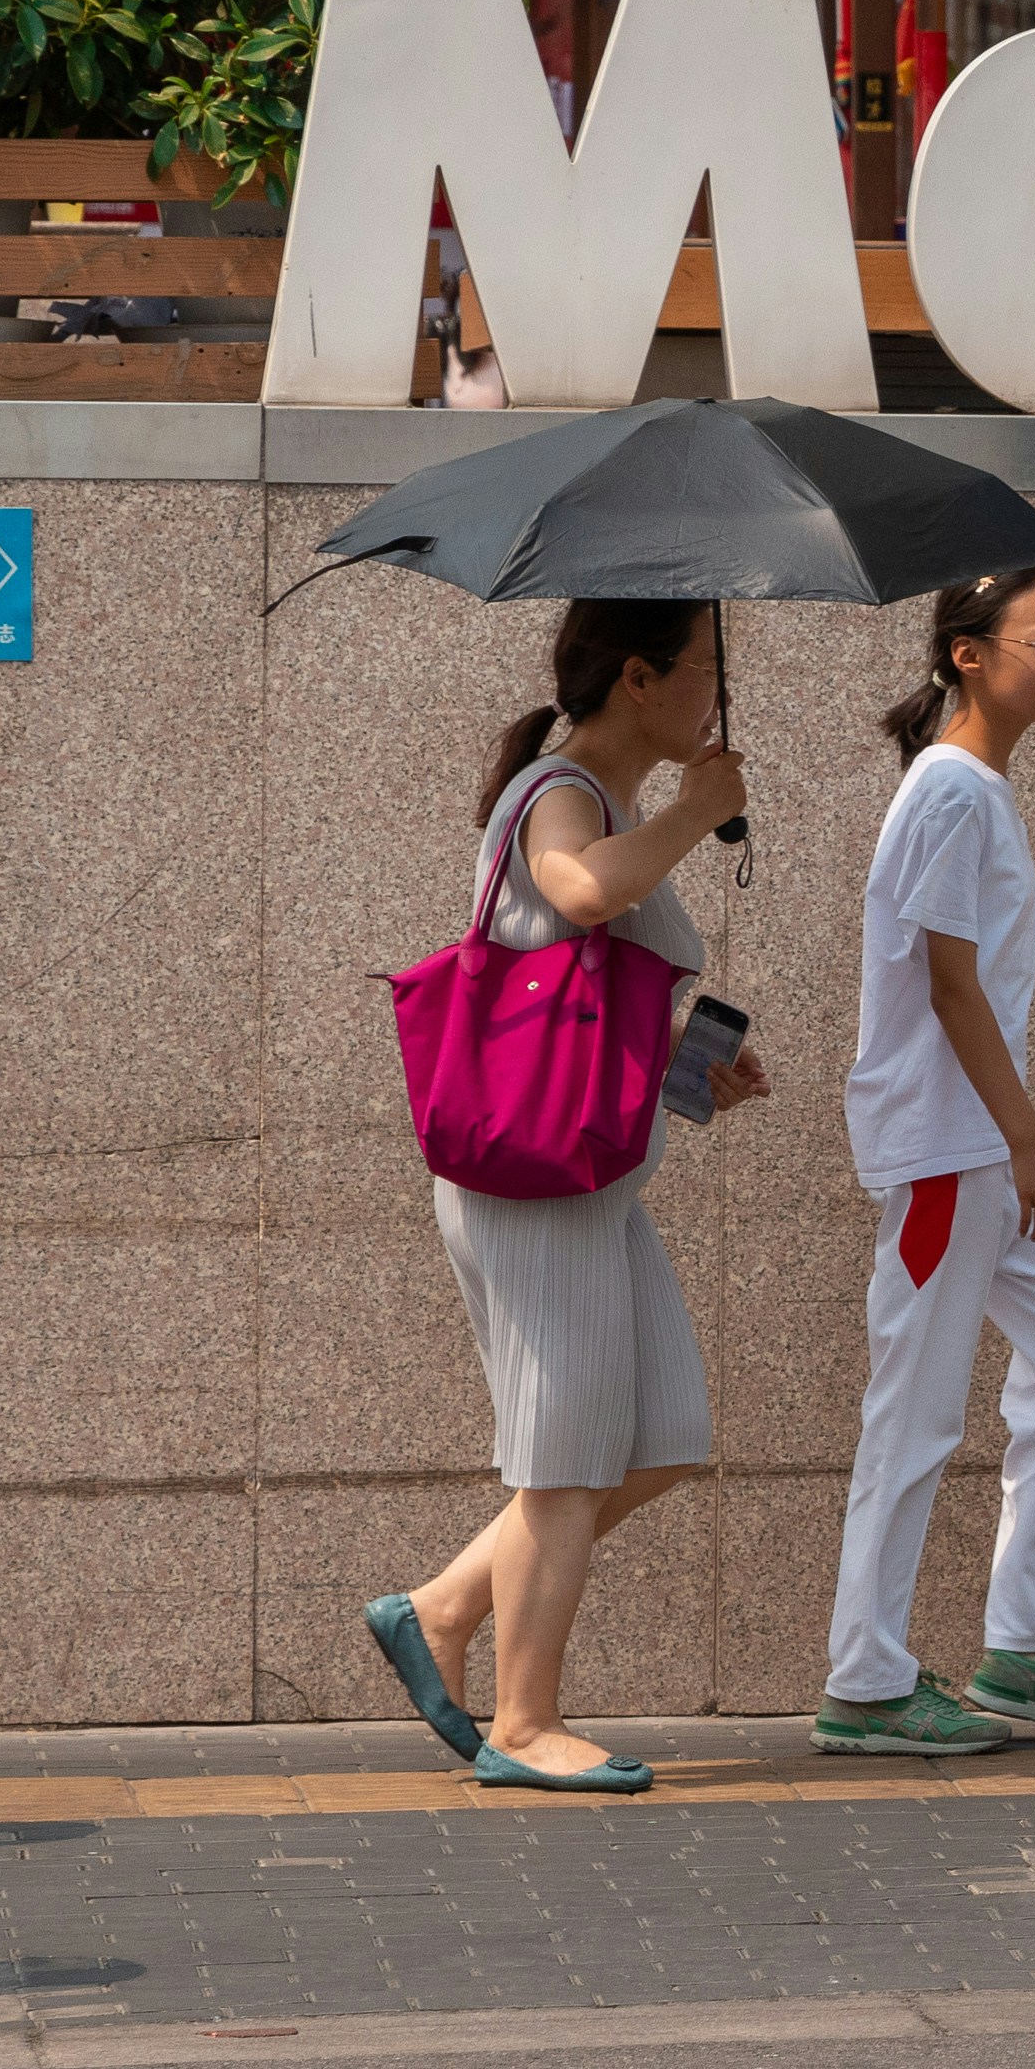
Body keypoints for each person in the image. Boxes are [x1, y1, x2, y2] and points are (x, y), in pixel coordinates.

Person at [364, 599, 764, 1793]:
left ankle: (439, 1608)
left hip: (588, 1183)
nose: (716, 696)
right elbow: (576, 894)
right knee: (564, 1458)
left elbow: (589, 992)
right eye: (704, 670)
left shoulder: (607, 799)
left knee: (664, 1435)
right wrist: (699, 811)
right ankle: (524, 1722)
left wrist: (694, 1066)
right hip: (534, 1189)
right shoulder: (558, 792)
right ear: (640, 677)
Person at [817, 565, 1035, 1756]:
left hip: (978, 1153)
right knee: (910, 1416)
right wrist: (1028, 1141)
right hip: (955, 1152)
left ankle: (1028, 1648)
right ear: (968, 654)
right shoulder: (951, 792)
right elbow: (947, 983)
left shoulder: (973, 790)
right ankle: (864, 1679)